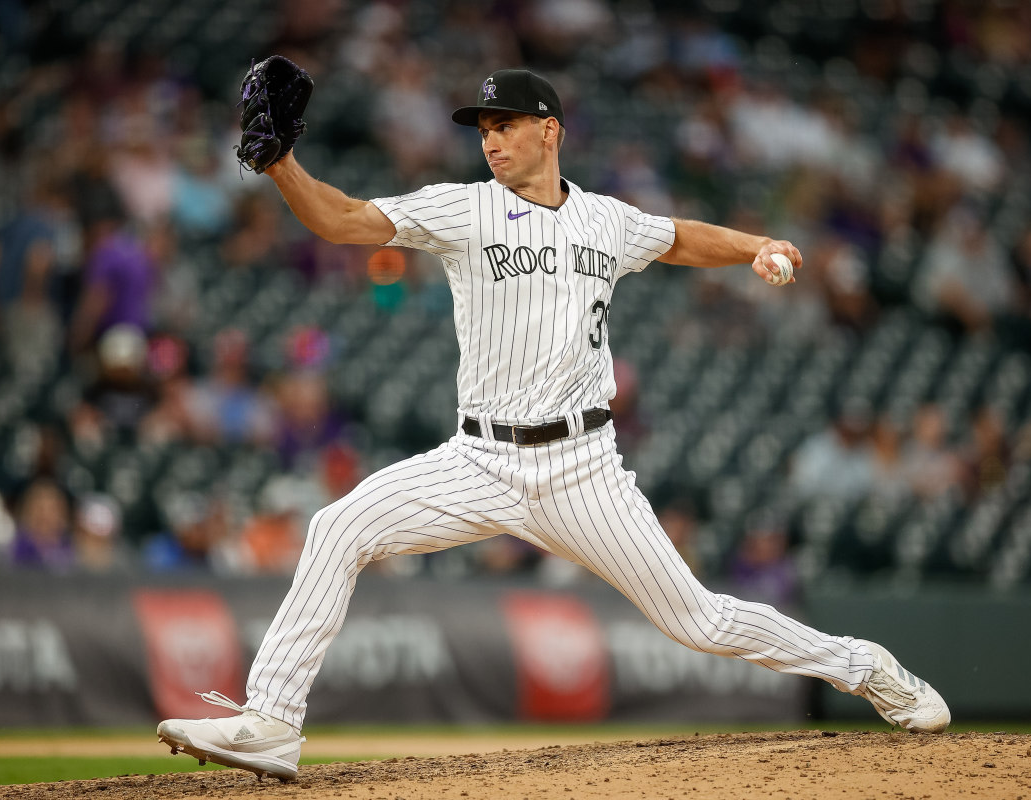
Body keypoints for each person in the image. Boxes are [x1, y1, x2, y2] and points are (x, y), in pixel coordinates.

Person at [156, 67, 949, 782]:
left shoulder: (605, 221)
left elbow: (678, 237)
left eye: (505, 124)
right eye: (483, 128)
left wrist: (756, 246)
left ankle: (864, 666)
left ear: (550, 130)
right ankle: (272, 724)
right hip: (477, 460)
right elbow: (342, 222)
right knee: (337, 527)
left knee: (699, 621)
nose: (491, 140)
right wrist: (281, 166)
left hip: (584, 469)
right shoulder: (463, 209)